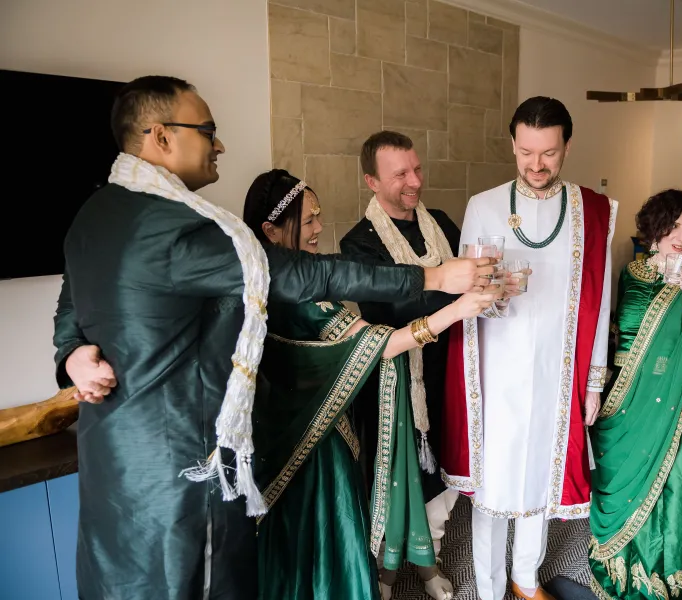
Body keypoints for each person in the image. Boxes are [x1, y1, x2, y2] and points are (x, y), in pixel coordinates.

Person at [52, 75, 489, 600]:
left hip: (111, 453)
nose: (219, 144)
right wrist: (433, 278)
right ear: (161, 136)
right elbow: (308, 276)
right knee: (192, 582)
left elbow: (72, 298)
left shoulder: (95, 211)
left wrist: (71, 351)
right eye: (208, 130)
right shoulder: (175, 228)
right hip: (179, 467)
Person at [243, 169, 496, 600]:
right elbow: (378, 344)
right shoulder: (302, 298)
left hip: (276, 435)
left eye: (318, 216)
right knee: (327, 535)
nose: (320, 228)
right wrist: (458, 310)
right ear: (271, 230)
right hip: (316, 447)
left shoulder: (257, 282)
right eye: (308, 221)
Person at [440, 96, 618, 600]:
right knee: (492, 483)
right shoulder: (485, 205)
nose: (536, 165)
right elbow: (467, 294)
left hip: (558, 371)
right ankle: (490, 586)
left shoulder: (593, 210)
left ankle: (524, 578)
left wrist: (593, 379)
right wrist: (494, 296)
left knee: (544, 471)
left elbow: (599, 299)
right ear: (513, 144)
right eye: (526, 152)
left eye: (549, 153)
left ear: (566, 145)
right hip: (496, 369)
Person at [339, 131, 471, 598]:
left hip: (449, 371)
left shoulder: (440, 222)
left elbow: (467, 280)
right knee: (398, 481)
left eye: (417, 168)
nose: (415, 181)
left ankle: (429, 560)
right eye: (401, 174)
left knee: (448, 474)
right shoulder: (358, 244)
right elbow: (392, 308)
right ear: (372, 181)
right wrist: (455, 289)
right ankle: (387, 573)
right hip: (396, 381)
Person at [589, 190, 682, 600]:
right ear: (656, 225)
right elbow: (614, 334)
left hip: (681, 400)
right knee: (624, 481)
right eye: (675, 226)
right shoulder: (631, 272)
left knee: (675, 488)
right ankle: (628, 566)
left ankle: (670, 571)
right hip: (627, 399)